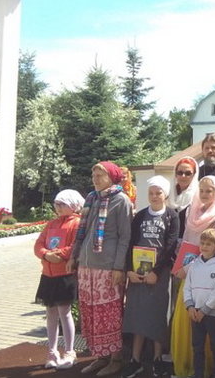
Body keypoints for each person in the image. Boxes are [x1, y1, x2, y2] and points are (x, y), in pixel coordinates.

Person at [67, 161, 133, 377]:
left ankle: (116, 359)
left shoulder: (120, 200)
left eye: (100, 174)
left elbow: (125, 237)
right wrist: (74, 257)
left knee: (109, 313)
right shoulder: (91, 199)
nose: (95, 178)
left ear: (112, 177)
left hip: (107, 268)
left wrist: (119, 267)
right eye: (93, 174)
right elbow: (82, 233)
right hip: (87, 267)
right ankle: (101, 357)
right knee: (92, 313)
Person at [171, 176, 215, 378]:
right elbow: (186, 241)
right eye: (202, 190)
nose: (204, 195)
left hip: (208, 274)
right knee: (192, 334)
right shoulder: (191, 210)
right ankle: (194, 370)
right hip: (191, 276)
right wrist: (181, 267)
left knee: (213, 339)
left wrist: (188, 267)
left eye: (209, 191)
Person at [122, 176, 180, 378]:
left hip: (159, 274)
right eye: (151, 193)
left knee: (156, 314)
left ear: (165, 194)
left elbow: (171, 245)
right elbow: (130, 242)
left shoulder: (172, 216)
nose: (155, 196)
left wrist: (156, 272)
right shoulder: (140, 216)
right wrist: (129, 269)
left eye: (159, 193)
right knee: (136, 313)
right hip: (137, 273)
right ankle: (135, 359)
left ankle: (156, 358)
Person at [34, 189, 85, 370]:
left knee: (64, 312)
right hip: (48, 274)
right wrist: (46, 254)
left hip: (64, 275)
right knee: (51, 313)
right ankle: (52, 350)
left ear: (73, 205)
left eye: (62, 204)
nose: (58, 207)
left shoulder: (77, 223)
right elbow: (38, 244)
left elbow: (75, 245)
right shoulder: (51, 224)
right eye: (56, 204)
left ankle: (70, 351)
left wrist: (60, 255)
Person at [184, 228, 215, 378]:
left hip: (212, 313)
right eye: (202, 243)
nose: (204, 247)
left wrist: (205, 310)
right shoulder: (194, 265)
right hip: (195, 312)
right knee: (197, 346)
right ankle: (198, 373)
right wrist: (190, 306)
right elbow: (187, 287)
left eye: (208, 244)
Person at [169, 156, 199, 239]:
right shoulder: (168, 194)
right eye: (180, 172)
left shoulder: (199, 195)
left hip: (190, 242)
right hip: (169, 242)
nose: (183, 176)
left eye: (188, 173)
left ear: (194, 175)